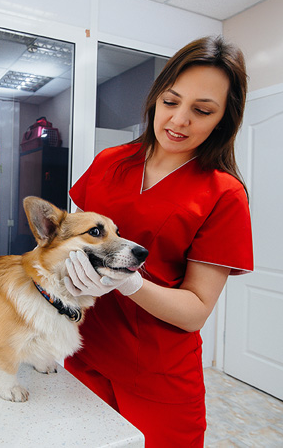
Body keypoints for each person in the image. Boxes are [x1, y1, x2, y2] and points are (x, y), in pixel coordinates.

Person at [61, 36, 253, 447]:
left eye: (202, 111)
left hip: (158, 374)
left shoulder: (223, 194)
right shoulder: (110, 162)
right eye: (171, 101)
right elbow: (65, 244)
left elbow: (195, 311)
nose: (179, 120)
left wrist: (128, 283)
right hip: (83, 351)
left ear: (224, 119)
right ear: (155, 98)